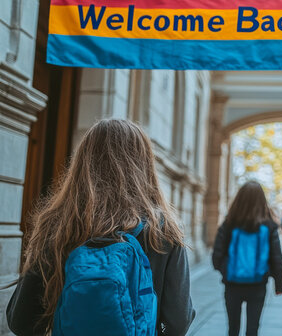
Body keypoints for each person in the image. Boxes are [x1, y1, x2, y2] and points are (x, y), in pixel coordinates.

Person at [6, 119, 195, 335]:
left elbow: (21, 320)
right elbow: (178, 322)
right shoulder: (163, 230)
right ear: (145, 165)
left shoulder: (58, 223)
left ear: (83, 161)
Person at [212, 181, 282, 336]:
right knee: (253, 330)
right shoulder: (269, 225)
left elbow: (216, 256)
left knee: (233, 329)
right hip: (258, 285)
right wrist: (279, 284)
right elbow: (277, 258)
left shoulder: (229, 223)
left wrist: (227, 270)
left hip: (232, 284)